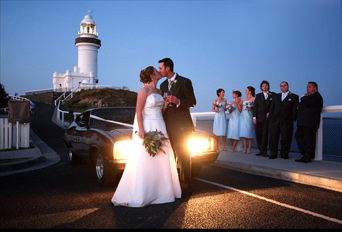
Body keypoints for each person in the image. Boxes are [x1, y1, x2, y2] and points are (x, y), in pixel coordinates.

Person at [111, 66, 181, 207]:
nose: (159, 72)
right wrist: (141, 130)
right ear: (151, 75)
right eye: (156, 71)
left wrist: (166, 104)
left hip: (160, 124)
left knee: (162, 156)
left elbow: (161, 110)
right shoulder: (144, 90)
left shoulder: (160, 91)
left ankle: (163, 192)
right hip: (148, 124)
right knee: (147, 157)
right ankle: (144, 193)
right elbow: (138, 111)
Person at [159, 58, 196, 198]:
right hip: (166, 126)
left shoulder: (185, 82)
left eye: (161, 68)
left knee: (184, 157)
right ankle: (172, 186)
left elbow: (192, 102)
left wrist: (178, 101)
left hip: (181, 127)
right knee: (169, 157)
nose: (159, 71)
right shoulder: (162, 85)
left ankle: (187, 185)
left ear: (168, 68)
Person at [268, 81, 299, 159]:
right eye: (281, 86)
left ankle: (284, 154)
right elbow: (272, 107)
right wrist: (271, 117)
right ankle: (273, 154)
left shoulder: (294, 97)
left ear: (288, 86)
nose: (283, 87)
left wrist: (293, 118)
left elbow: (295, 109)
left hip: (287, 120)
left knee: (286, 138)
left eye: (284, 85)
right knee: (273, 137)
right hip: (275, 120)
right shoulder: (276, 96)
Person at [295, 81, 323, 163]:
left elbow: (307, 102)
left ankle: (307, 155)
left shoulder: (317, 96)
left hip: (309, 123)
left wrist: (303, 97)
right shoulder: (310, 97)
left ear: (315, 88)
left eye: (309, 87)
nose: (307, 88)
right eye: (307, 87)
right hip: (303, 122)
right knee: (298, 136)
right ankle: (306, 153)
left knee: (308, 140)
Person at [253, 80, 275, 157]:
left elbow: (274, 105)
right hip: (259, 118)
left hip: (267, 118)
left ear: (268, 86)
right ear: (261, 87)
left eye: (266, 85)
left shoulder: (273, 95)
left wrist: (270, 112)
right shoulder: (258, 96)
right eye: (263, 86)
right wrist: (254, 117)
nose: (264, 87)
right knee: (258, 134)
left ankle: (264, 151)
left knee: (265, 134)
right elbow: (255, 107)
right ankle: (260, 150)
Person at [238, 86, 256, 154]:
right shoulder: (243, 99)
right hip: (243, 116)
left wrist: (251, 107)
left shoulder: (254, 98)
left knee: (249, 132)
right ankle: (245, 148)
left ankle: (249, 148)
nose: (245, 91)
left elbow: (255, 108)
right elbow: (241, 108)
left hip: (250, 116)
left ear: (250, 91)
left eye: (246, 90)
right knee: (244, 133)